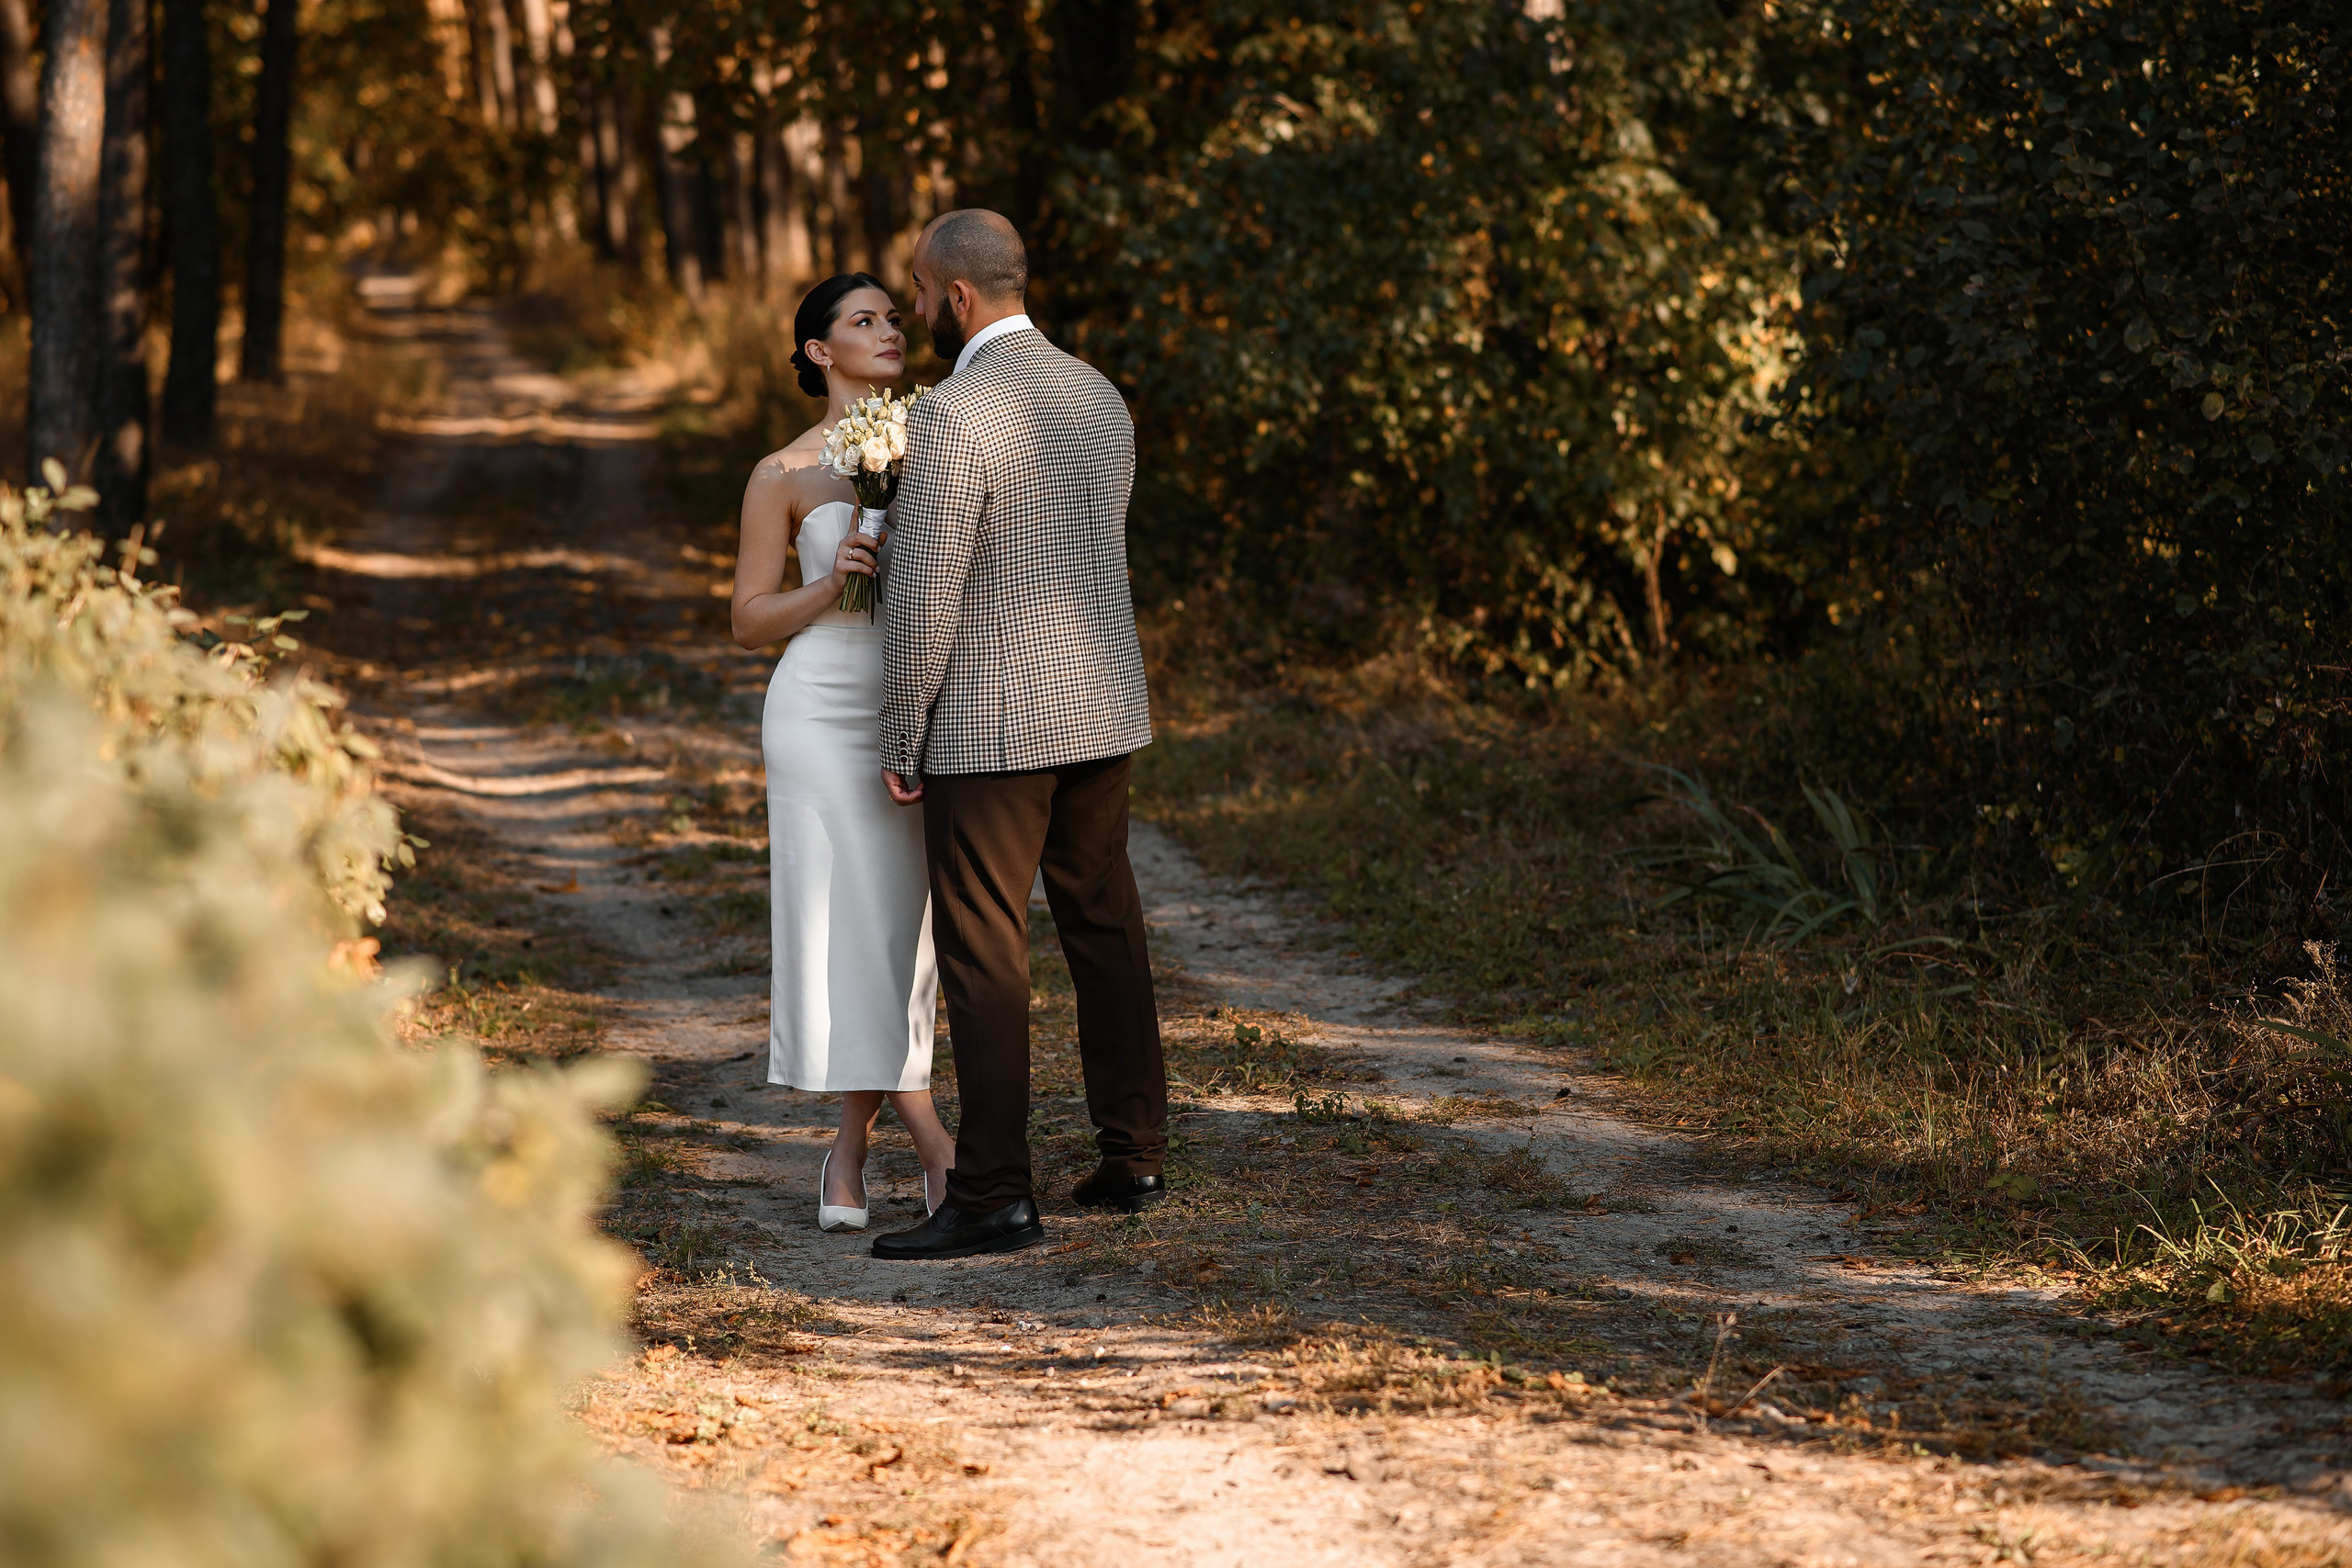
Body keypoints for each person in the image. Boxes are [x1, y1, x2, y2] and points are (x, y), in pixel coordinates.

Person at [868, 209, 1168, 1262]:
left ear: (958, 297)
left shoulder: (956, 414)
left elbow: (928, 590)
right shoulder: (1098, 394)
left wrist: (902, 732)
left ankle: (993, 1189)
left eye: (917, 290)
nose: (912, 309)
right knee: (1103, 924)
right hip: (1098, 702)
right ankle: (1133, 1153)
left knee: (986, 947)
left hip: (992, 720)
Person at [729, 272, 955, 1232]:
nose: (889, 331)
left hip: (916, 706)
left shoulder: (942, 441)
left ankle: (849, 1150)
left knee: (903, 935)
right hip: (818, 709)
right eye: (864, 322)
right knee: (843, 925)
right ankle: (940, 1145)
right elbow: (746, 621)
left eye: (893, 317)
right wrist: (832, 587)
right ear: (820, 352)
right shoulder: (779, 475)